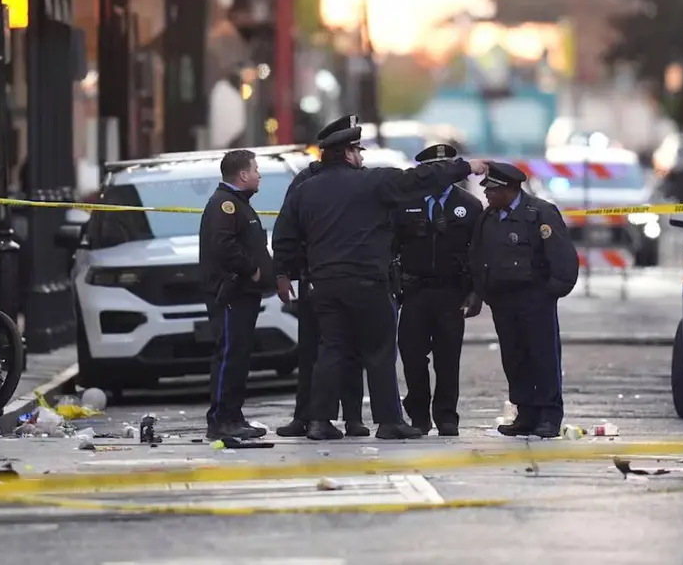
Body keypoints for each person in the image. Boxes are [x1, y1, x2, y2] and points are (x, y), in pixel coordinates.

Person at [273, 116, 488, 440]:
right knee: (378, 351)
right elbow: (420, 178)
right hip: (367, 282)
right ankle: (389, 421)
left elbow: (286, 234)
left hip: (326, 283)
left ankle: (319, 421)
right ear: (347, 153)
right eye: (357, 150)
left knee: (332, 350)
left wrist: (284, 272)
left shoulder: (305, 190)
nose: (361, 156)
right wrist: (465, 167)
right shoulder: (372, 182)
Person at [469, 162, 579, 439]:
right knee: (514, 357)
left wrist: (551, 291)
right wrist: (483, 292)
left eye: (492, 190)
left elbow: (562, 255)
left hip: (534, 298)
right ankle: (526, 413)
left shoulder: (539, 213)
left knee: (542, 356)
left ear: (510, 189)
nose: (487, 195)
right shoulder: (488, 218)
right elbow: (478, 256)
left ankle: (549, 415)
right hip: (503, 300)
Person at [275, 116, 367, 438]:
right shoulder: (305, 181)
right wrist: (284, 272)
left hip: (350, 277)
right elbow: (287, 229)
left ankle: (353, 417)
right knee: (312, 350)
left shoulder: (362, 179)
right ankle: (306, 416)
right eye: (354, 148)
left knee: (351, 349)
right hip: (313, 276)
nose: (359, 156)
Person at [393, 144, 484, 437]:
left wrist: (475, 292)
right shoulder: (406, 202)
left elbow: (477, 253)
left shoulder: (469, 205)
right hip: (415, 291)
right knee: (412, 356)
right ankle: (418, 415)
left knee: (448, 357)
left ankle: (447, 416)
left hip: (451, 292)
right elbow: (391, 246)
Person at [198, 149, 275, 441]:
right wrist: (252, 269)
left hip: (243, 294)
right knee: (230, 355)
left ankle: (233, 415)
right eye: (255, 170)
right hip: (232, 292)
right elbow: (224, 245)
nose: (259, 175)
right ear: (242, 175)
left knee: (239, 356)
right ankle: (220, 420)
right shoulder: (226, 205)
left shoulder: (237, 203)